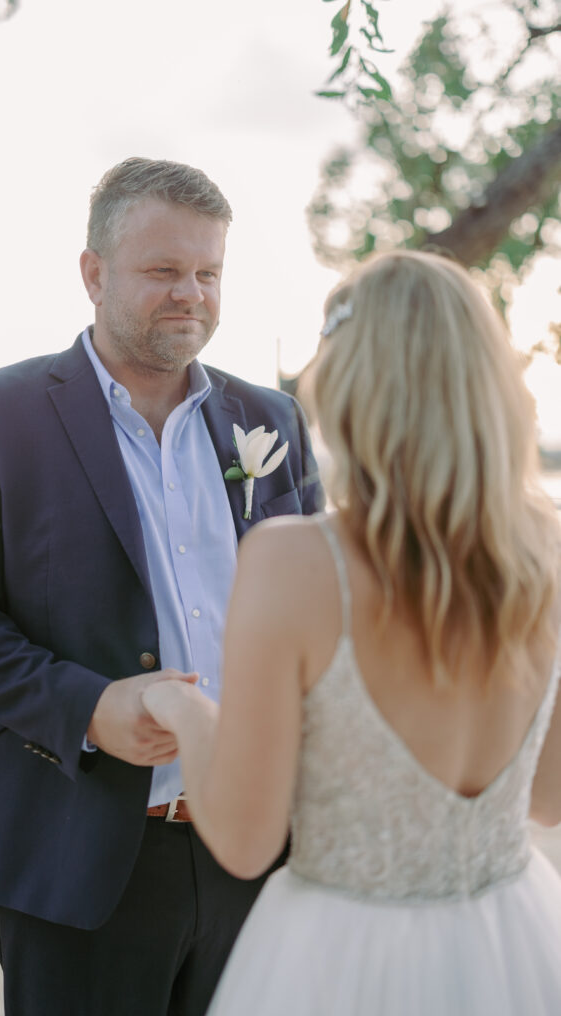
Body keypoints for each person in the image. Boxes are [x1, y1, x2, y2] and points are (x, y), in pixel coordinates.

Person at [0, 157, 324, 1016]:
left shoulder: (268, 421)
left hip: (256, 845)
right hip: (77, 849)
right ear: (93, 274)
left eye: (209, 273)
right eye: (163, 271)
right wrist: (90, 708)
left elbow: (320, 616)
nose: (191, 295)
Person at [143, 249, 561, 1015]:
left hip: (341, 957)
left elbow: (243, 840)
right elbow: (548, 796)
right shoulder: (548, 551)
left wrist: (181, 710)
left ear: (348, 388)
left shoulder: (295, 560)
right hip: (515, 944)